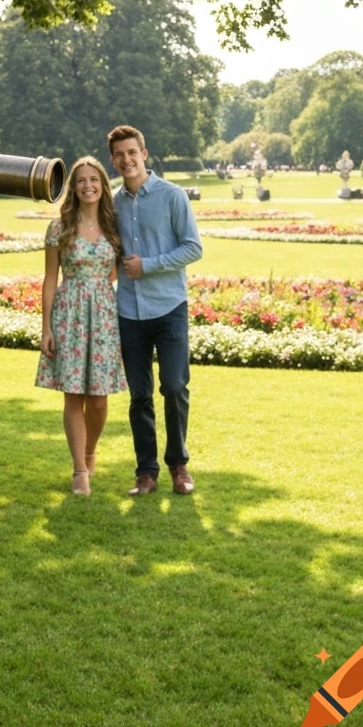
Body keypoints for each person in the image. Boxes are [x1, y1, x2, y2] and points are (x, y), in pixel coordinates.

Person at [108, 124, 202, 497]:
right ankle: (146, 472)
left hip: (169, 307)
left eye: (132, 152)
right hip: (129, 311)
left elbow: (193, 248)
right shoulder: (111, 204)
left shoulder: (172, 196)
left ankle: (179, 465)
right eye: (119, 155)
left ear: (144, 154)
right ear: (112, 161)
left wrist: (148, 265)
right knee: (139, 394)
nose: (126, 160)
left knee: (175, 386)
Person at [36, 156, 128, 496]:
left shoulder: (115, 226)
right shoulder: (59, 227)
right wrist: (46, 327)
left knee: (100, 399)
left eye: (95, 179)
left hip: (103, 315)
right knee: (73, 395)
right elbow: (49, 280)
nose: (88, 185)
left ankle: (91, 453)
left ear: (104, 185)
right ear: (73, 187)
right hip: (69, 314)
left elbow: (117, 272)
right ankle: (79, 470)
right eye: (81, 180)